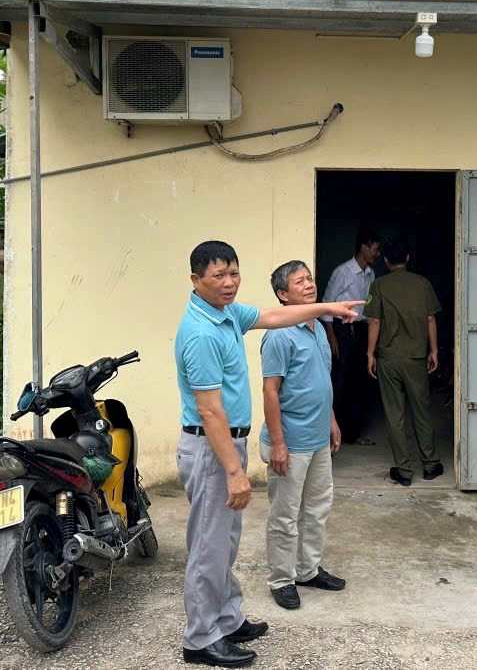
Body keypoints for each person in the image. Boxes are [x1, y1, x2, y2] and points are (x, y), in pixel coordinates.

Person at [174, 241, 363, 668]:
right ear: (196, 280)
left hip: (227, 443)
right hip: (211, 447)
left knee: (225, 542)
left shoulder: (227, 315)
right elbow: (209, 410)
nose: (229, 282)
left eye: (234, 273)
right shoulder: (201, 333)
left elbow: (276, 316)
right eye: (218, 276)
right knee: (209, 546)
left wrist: (326, 307)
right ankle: (201, 638)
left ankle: (226, 617)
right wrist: (235, 470)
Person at [259, 260, 347, 611]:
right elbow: (269, 392)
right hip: (290, 442)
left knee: (317, 509)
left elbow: (321, 382)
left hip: (317, 439)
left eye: (310, 278)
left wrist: (332, 420)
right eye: (299, 282)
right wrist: (278, 442)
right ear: (283, 295)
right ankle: (281, 579)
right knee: (285, 513)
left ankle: (307, 569)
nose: (309, 285)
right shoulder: (279, 335)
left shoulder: (318, 329)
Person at [364, 241, 443, 487]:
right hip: (416, 358)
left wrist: (370, 353)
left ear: (385, 261)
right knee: (421, 409)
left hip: (388, 358)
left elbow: (374, 321)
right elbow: (430, 318)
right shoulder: (423, 284)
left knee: (394, 413)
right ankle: (430, 464)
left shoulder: (378, 285)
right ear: (408, 257)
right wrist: (434, 350)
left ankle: (404, 470)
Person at [321, 229, 381, 443]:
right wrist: (332, 336)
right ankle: (331, 433)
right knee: (340, 381)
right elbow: (327, 303)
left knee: (359, 382)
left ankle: (353, 434)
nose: (377, 254)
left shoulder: (370, 274)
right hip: (341, 329)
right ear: (364, 247)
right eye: (375, 249)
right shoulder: (343, 272)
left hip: (360, 330)